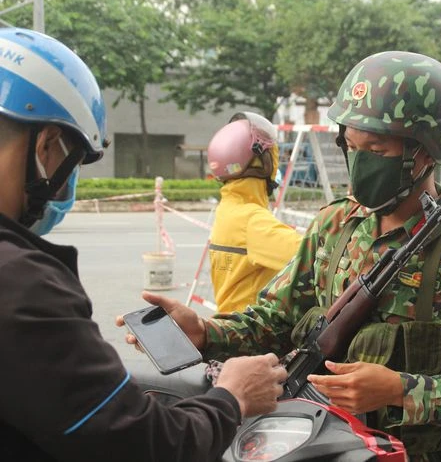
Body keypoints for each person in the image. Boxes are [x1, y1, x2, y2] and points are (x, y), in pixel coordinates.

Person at [123, 50, 441, 461]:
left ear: (426, 151)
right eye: (351, 146)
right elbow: (276, 319)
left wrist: (399, 389)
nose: (359, 162)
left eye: (376, 147)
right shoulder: (335, 225)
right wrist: (205, 333)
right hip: (321, 444)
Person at [0, 27, 286, 462]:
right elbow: (141, 441)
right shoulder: (21, 284)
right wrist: (233, 397)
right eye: (74, 161)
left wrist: (208, 331)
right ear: (46, 145)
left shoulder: (228, 211)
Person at [207, 112, 302, 313]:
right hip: (252, 335)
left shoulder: (228, 209)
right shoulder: (252, 221)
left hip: (230, 329)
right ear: (263, 162)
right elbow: (313, 257)